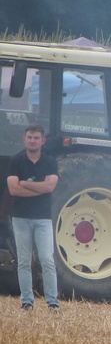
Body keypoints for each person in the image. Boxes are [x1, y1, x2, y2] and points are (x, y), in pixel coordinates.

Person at [6, 123, 60, 311]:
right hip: (20, 217)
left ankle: (52, 302)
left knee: (47, 258)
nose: (32, 140)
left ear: (42, 141)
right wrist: (40, 188)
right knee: (23, 260)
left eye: (36, 137)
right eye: (29, 137)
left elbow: (50, 187)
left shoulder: (50, 162)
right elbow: (13, 189)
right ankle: (27, 301)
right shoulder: (16, 161)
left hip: (43, 218)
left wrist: (25, 184)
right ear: (24, 139)